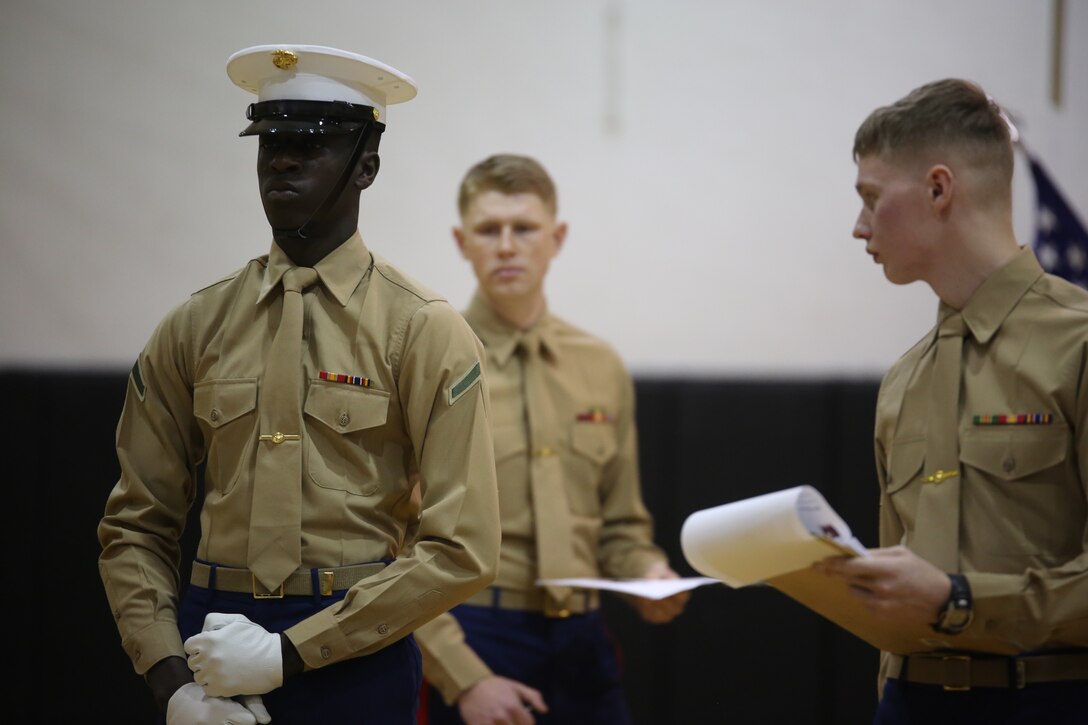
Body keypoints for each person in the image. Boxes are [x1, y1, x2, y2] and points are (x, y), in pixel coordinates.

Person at [97, 45, 500, 725]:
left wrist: (292, 651)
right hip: (209, 652)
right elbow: (135, 526)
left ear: (366, 166)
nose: (282, 160)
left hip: (357, 658)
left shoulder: (422, 329)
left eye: (312, 145)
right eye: (270, 142)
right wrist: (170, 683)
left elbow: (463, 549)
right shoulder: (195, 325)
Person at [819, 78, 1088, 723]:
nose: (859, 227)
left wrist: (961, 599)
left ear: (939, 190)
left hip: (1049, 700)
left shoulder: (1077, 344)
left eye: (871, 198)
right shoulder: (904, 380)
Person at [413, 154, 690, 725]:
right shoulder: (430, 363)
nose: (507, 246)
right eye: (489, 230)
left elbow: (620, 526)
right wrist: (464, 678)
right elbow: (394, 546)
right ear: (462, 242)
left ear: (556, 238)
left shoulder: (599, 365)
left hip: (584, 643)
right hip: (477, 635)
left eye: (525, 228)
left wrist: (648, 574)